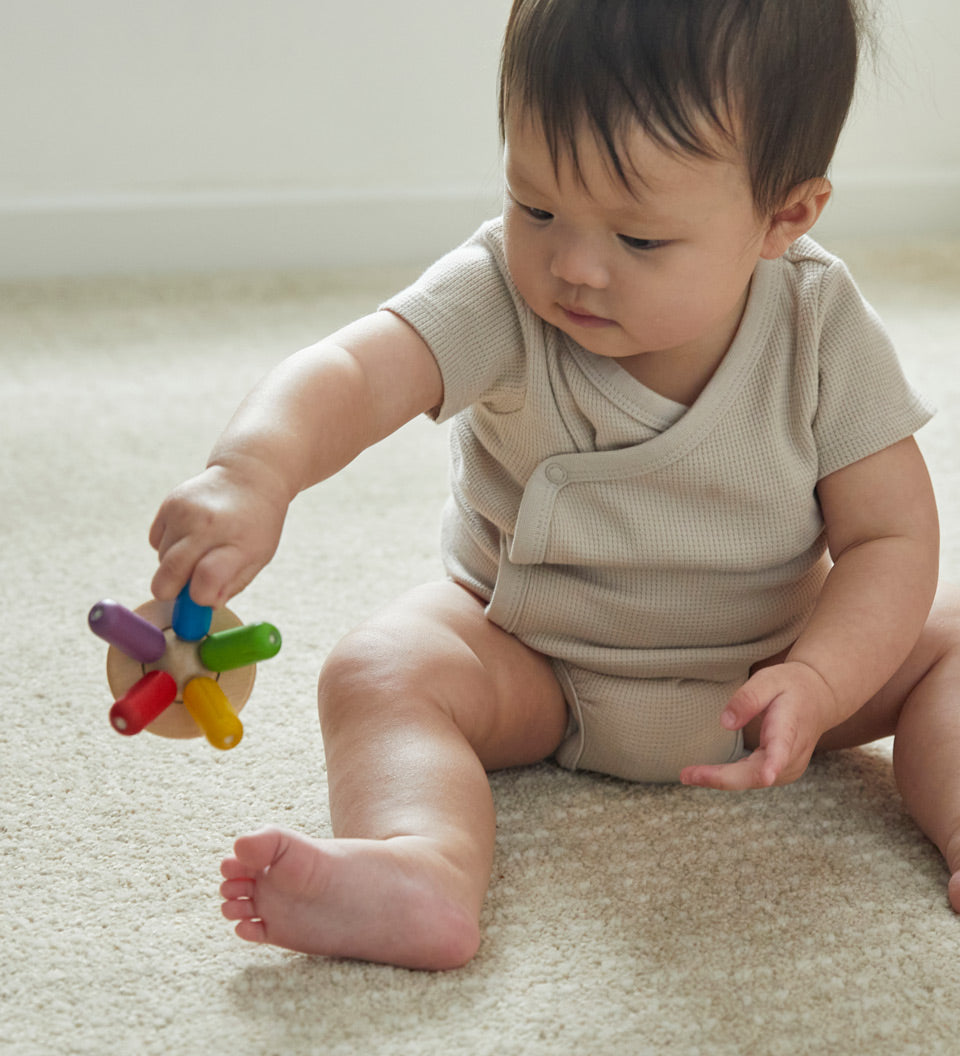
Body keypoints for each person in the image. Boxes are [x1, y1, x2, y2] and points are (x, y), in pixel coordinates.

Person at [149, 0, 960, 971]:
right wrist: (253, 472)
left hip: (773, 667)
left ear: (783, 216)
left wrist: (825, 679)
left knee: (950, 642)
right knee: (380, 671)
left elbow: (890, 540)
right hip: (533, 661)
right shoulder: (498, 291)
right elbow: (355, 372)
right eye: (536, 206)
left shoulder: (820, 330)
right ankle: (422, 864)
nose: (572, 266)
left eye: (640, 239)